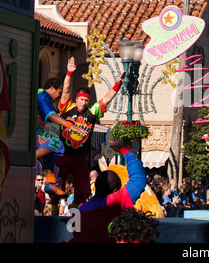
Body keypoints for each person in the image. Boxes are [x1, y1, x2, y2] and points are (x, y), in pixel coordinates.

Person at [54, 57, 125, 212]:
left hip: (81, 158)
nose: (83, 103)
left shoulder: (92, 113)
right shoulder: (67, 108)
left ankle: (76, 218)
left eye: (86, 101)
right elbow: (66, 90)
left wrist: (118, 84)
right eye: (80, 100)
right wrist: (69, 73)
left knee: (83, 191)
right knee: (56, 189)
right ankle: (52, 215)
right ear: (76, 99)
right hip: (63, 155)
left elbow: (106, 99)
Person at [67, 139, 147, 243]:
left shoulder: (78, 213)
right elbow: (139, 177)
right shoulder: (119, 198)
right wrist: (124, 149)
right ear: (115, 190)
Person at [36, 77, 88, 201]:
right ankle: (28, 159)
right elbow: (51, 115)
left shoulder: (46, 99)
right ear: (52, 87)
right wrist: (71, 126)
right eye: (59, 92)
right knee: (56, 144)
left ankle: (50, 183)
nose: (59, 95)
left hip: (38, 131)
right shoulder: (41, 95)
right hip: (32, 131)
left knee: (51, 155)